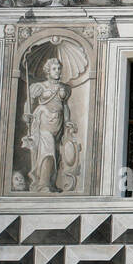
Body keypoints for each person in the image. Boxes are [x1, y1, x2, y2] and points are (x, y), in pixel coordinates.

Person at [21, 57, 81, 193]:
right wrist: (27, 114)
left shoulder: (64, 88)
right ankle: (43, 184)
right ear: (48, 71)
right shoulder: (40, 87)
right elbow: (28, 102)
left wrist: (67, 121)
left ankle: (51, 183)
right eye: (54, 69)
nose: (57, 71)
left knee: (56, 153)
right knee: (46, 152)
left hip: (58, 124)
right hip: (44, 121)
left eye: (59, 68)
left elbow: (64, 106)